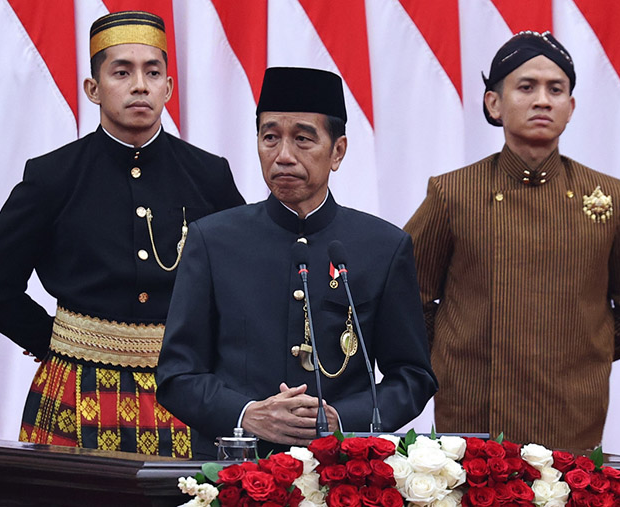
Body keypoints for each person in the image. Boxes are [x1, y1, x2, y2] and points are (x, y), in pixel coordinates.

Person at [0, 10, 244, 458]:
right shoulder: (53, 177)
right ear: (93, 89)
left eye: (153, 72)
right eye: (122, 71)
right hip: (77, 386)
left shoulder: (208, 175)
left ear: (168, 88)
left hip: (185, 390)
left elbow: (243, 284)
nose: (140, 85)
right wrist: (57, 343)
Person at [404, 31, 620, 450]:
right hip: (473, 411)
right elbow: (405, 296)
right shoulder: (453, 193)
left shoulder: (608, 196)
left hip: (570, 413)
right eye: (526, 87)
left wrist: (582, 352)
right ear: (494, 102)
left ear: (571, 107)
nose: (542, 100)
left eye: (555, 89)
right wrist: (459, 350)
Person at [156, 67, 438, 459]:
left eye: (303, 139)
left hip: (343, 471)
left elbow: (412, 377)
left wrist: (343, 420)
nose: (283, 155)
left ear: (337, 151)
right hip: (234, 472)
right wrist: (248, 414)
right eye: (270, 137)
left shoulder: (383, 246)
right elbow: (176, 376)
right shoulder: (213, 240)